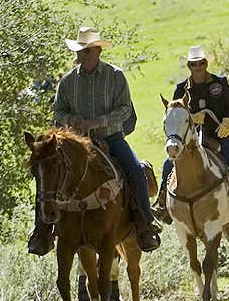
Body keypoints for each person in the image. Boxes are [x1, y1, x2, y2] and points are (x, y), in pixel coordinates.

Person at [28, 27, 160, 255]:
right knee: (46, 176)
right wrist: (72, 119)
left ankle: (145, 223)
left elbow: (125, 109)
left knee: (136, 170)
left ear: (97, 51)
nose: (80, 56)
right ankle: (41, 232)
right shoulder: (68, 82)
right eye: (79, 51)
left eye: (85, 51)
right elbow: (58, 110)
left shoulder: (115, 76)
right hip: (76, 142)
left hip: (111, 136)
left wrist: (98, 122)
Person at [153, 46, 229, 223]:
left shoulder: (219, 83)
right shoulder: (181, 88)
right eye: (194, 64)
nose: (198, 67)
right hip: (191, 139)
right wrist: (191, 117)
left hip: (219, 135)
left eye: (201, 63)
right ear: (189, 66)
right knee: (167, 165)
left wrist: (228, 121)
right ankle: (162, 205)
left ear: (206, 63)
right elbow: (174, 112)